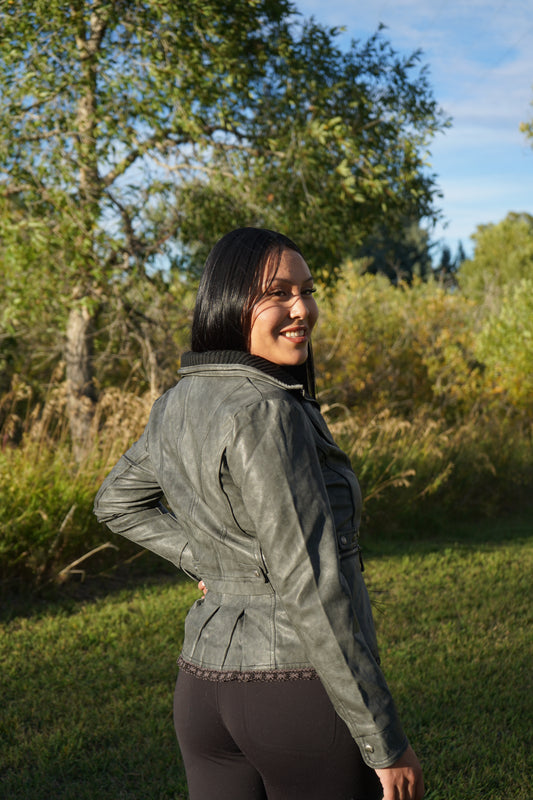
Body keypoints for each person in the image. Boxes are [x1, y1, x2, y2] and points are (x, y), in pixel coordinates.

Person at [94, 227, 425, 800]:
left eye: (307, 290)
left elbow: (115, 501)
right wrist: (384, 742)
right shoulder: (269, 411)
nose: (302, 309)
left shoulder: (177, 401)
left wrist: (215, 564)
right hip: (293, 695)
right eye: (278, 293)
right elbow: (309, 586)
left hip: (203, 691)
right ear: (230, 302)